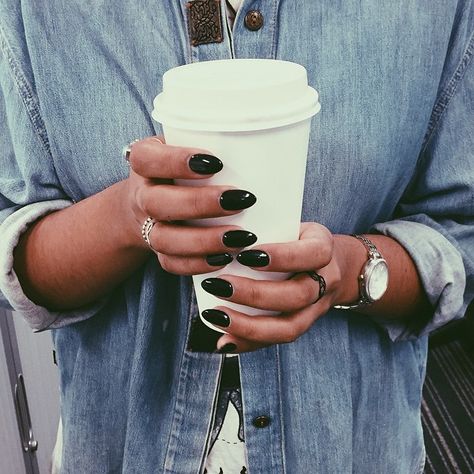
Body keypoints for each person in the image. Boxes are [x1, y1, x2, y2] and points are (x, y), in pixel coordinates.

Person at [0, 1, 472, 473]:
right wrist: (126, 218)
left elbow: (460, 232)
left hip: (352, 449)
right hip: (119, 450)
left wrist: (350, 271)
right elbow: (14, 250)